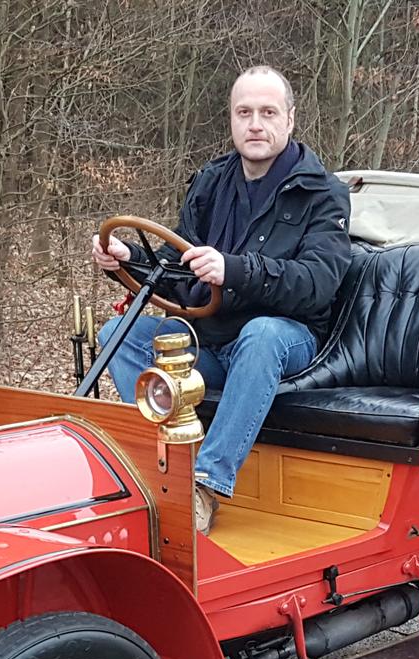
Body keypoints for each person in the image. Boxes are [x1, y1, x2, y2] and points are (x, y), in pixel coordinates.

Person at [90, 65, 351, 535]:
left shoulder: (322, 193)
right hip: (208, 339)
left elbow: (319, 281)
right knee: (120, 334)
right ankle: (168, 467)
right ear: (231, 120)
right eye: (244, 112)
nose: (255, 124)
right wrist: (128, 261)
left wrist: (236, 269)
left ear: (289, 120)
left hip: (289, 341)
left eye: (268, 112)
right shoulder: (210, 183)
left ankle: (206, 484)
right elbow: (174, 265)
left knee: (262, 332)